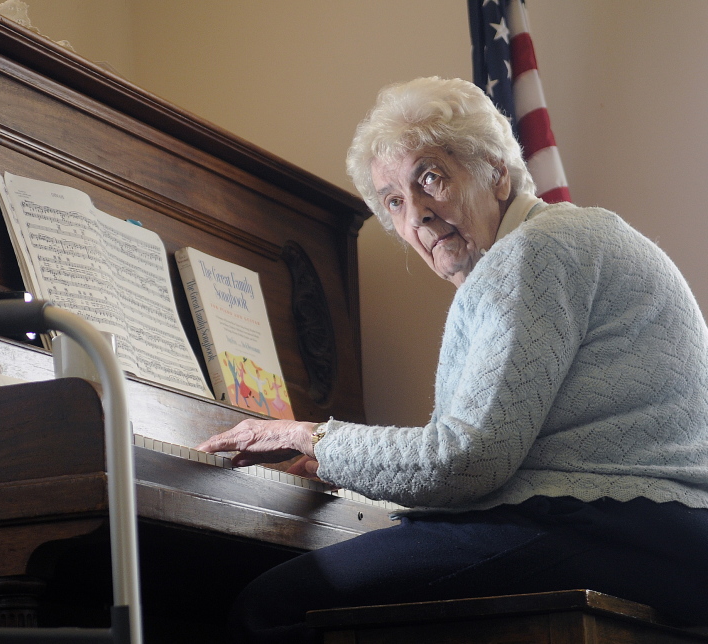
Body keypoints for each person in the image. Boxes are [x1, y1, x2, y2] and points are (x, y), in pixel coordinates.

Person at [196, 76, 708, 643]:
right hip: (658, 537)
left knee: (269, 605)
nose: (416, 215)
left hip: (609, 526)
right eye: (394, 201)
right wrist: (341, 462)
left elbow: (464, 461)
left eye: (431, 177)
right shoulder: (559, 240)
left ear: (497, 173)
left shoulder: (535, 251)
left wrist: (314, 438)